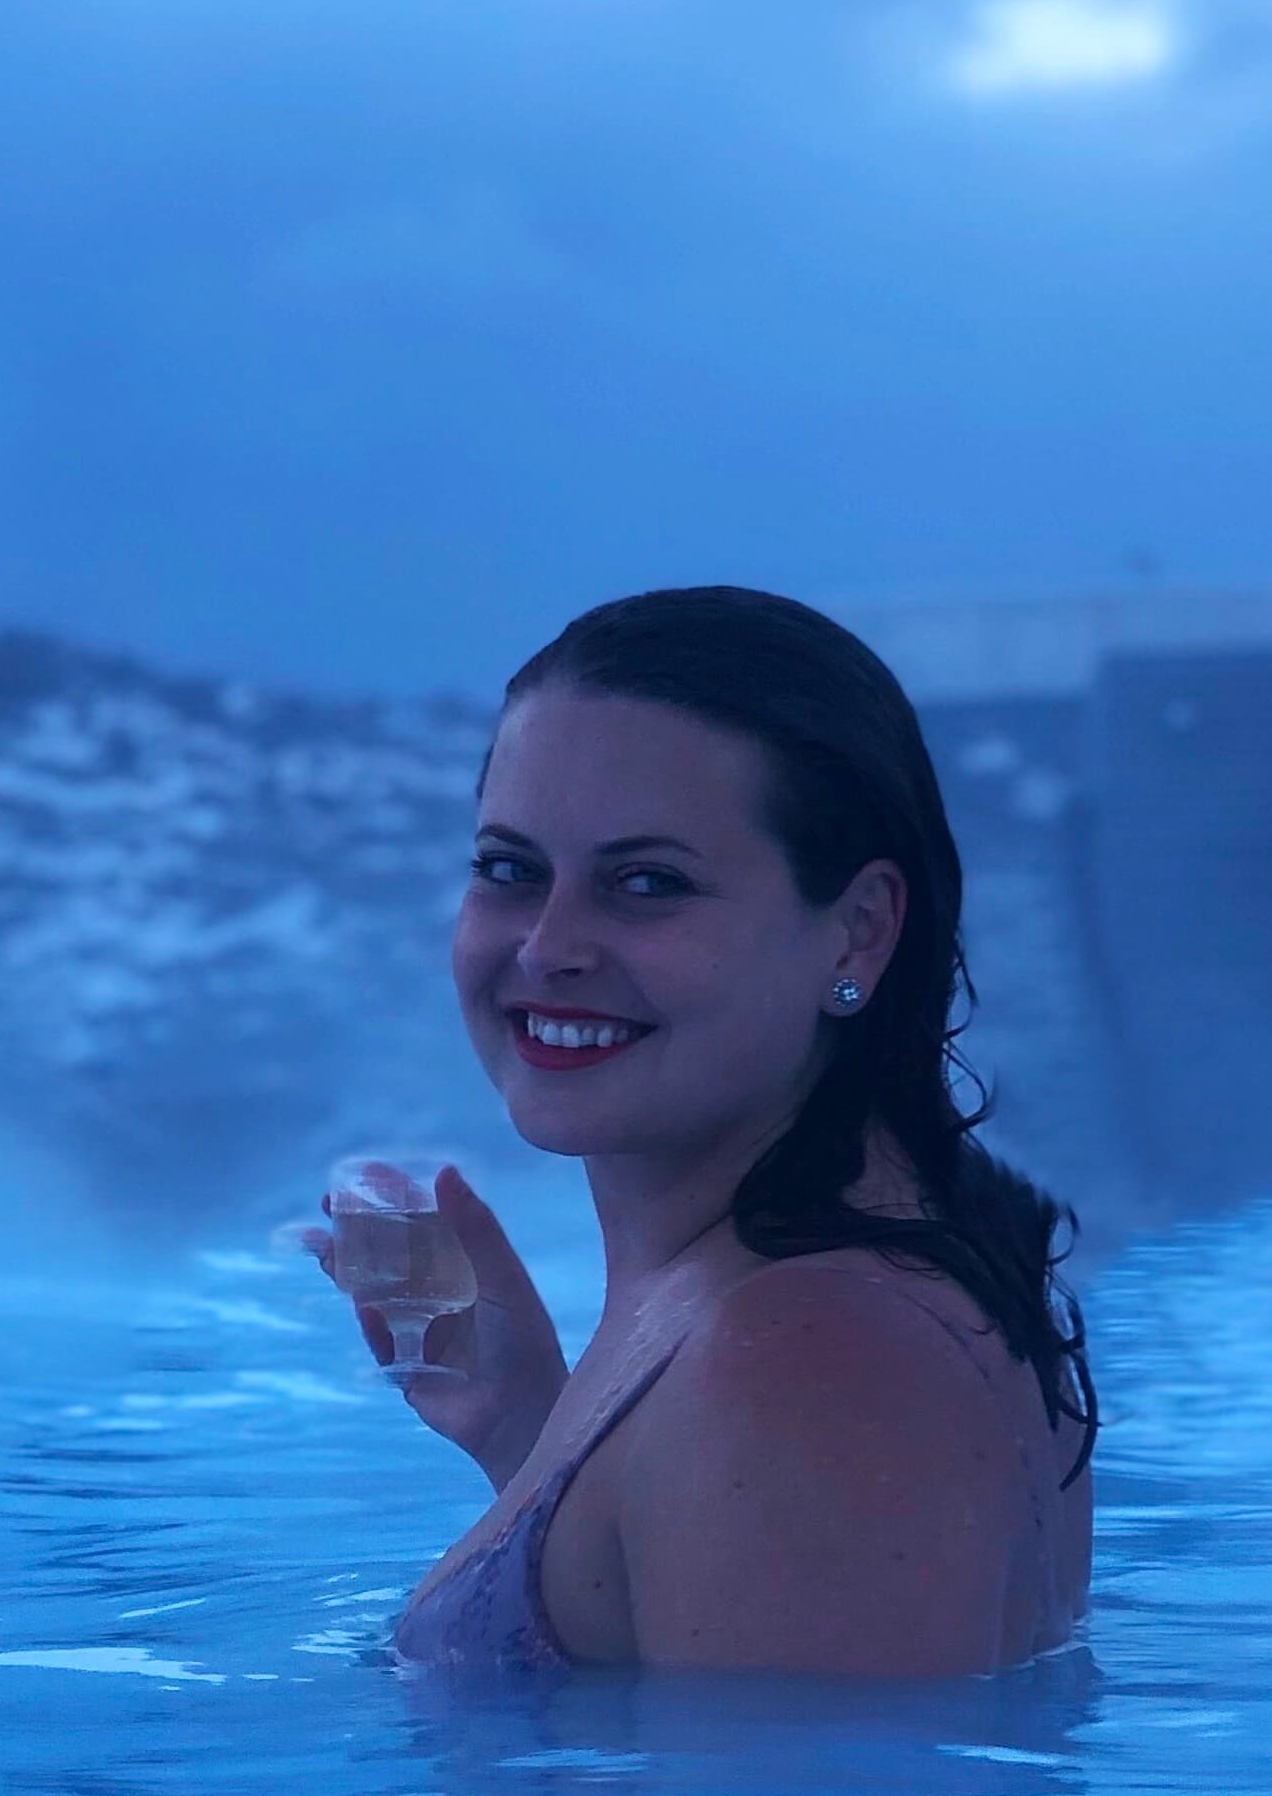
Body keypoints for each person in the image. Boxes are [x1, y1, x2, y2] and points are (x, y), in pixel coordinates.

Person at [313, 586, 1094, 1678]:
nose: (548, 947)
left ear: (857, 932)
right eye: (509, 869)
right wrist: (526, 1434)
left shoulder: (806, 1371)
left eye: (646, 883)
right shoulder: (797, 1311)